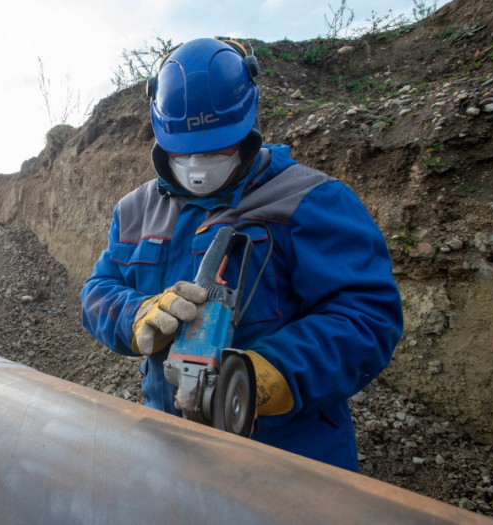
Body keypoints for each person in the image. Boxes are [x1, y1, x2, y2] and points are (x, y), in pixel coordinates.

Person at [80, 38, 403, 471]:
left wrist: (272, 373)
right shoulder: (135, 210)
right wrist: (136, 314)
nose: (197, 163)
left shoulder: (308, 200)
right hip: (170, 446)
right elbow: (98, 290)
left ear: (248, 123)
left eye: (216, 149)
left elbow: (368, 316)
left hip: (289, 458)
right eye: (183, 150)